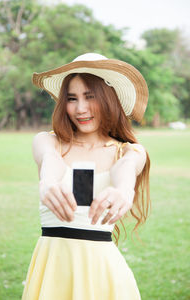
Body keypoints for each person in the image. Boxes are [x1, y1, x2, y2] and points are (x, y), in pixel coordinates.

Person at [22, 53, 150, 300]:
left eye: (89, 97)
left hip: (102, 277)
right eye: (72, 98)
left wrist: (124, 191)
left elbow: (125, 169)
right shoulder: (48, 142)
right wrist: (47, 183)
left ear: (108, 99)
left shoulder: (128, 151)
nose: (80, 109)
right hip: (52, 272)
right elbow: (51, 160)